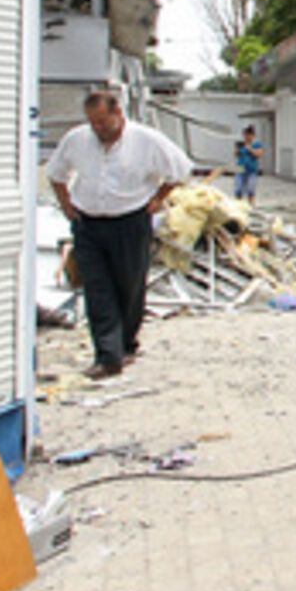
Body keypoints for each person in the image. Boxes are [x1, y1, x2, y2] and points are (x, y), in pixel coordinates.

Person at [46, 89, 193, 379]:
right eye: (93, 123)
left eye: (103, 122)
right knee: (97, 288)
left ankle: (126, 344)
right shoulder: (77, 139)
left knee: (129, 286)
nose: (98, 129)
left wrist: (158, 198)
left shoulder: (146, 140)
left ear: (118, 113)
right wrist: (66, 204)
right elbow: (56, 173)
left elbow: (180, 170)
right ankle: (107, 356)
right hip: (88, 222)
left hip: (130, 221)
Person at [235, 124, 264, 205]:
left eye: (248, 135)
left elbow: (259, 154)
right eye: (245, 135)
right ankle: (238, 205)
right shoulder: (241, 144)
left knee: (251, 189)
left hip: (251, 169)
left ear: (252, 135)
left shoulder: (257, 144)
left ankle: (251, 205)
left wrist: (250, 149)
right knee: (238, 189)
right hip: (240, 167)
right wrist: (237, 150)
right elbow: (236, 155)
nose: (246, 137)